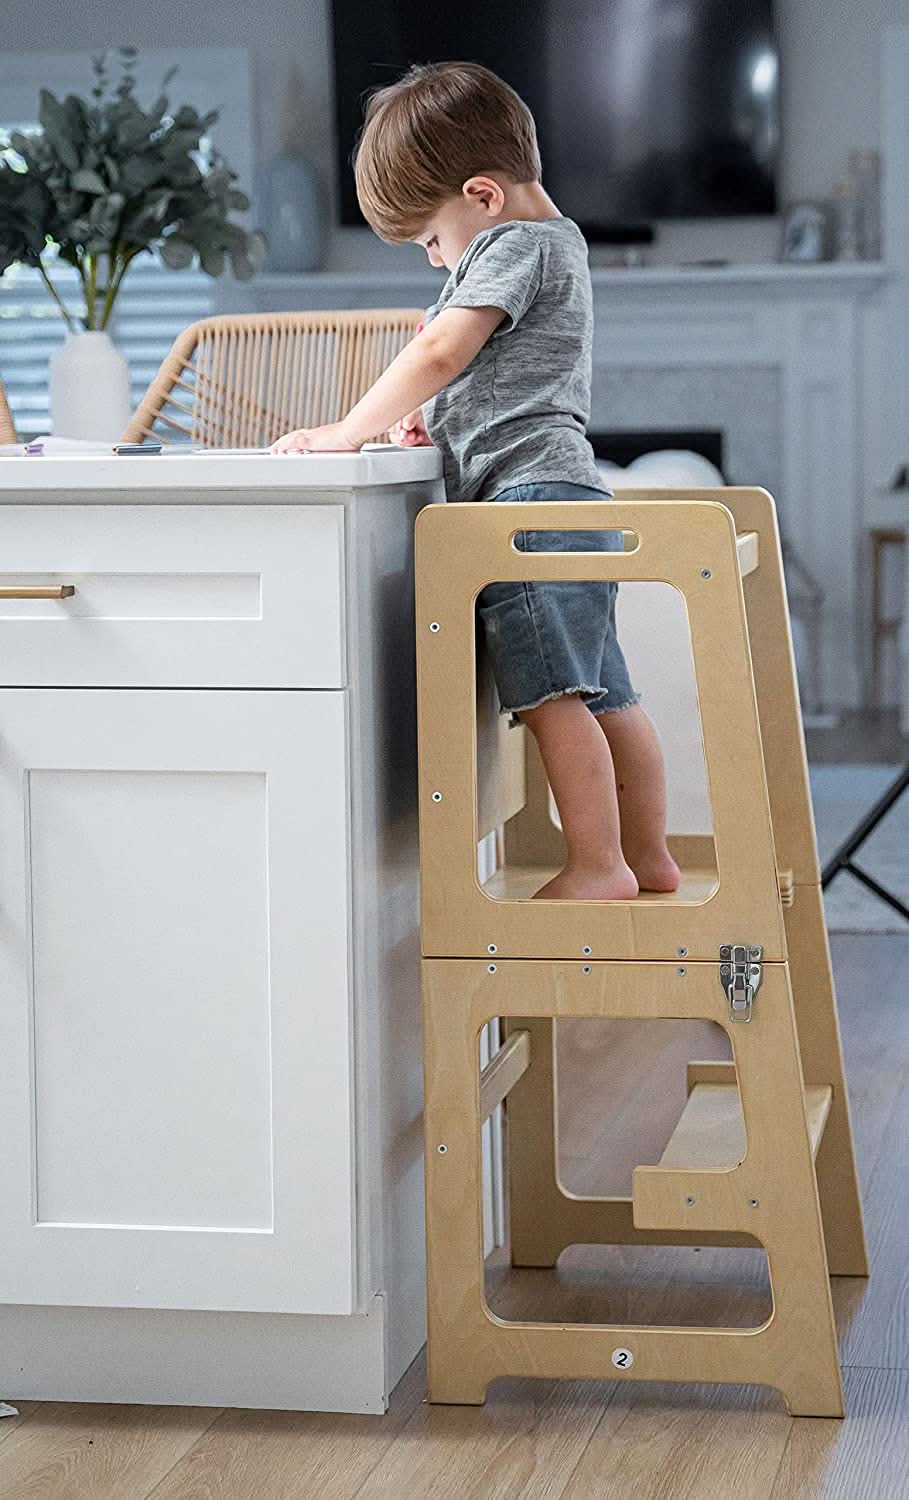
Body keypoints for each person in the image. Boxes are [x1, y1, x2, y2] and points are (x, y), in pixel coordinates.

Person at [271, 61, 679, 900]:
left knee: (550, 702)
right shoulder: (554, 246)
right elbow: (496, 378)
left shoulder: (511, 246)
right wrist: (434, 418)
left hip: (522, 510)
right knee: (607, 693)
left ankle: (598, 867)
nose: (433, 263)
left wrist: (346, 431)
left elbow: (439, 350)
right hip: (568, 496)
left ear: (482, 196)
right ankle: (647, 858)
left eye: (429, 241)